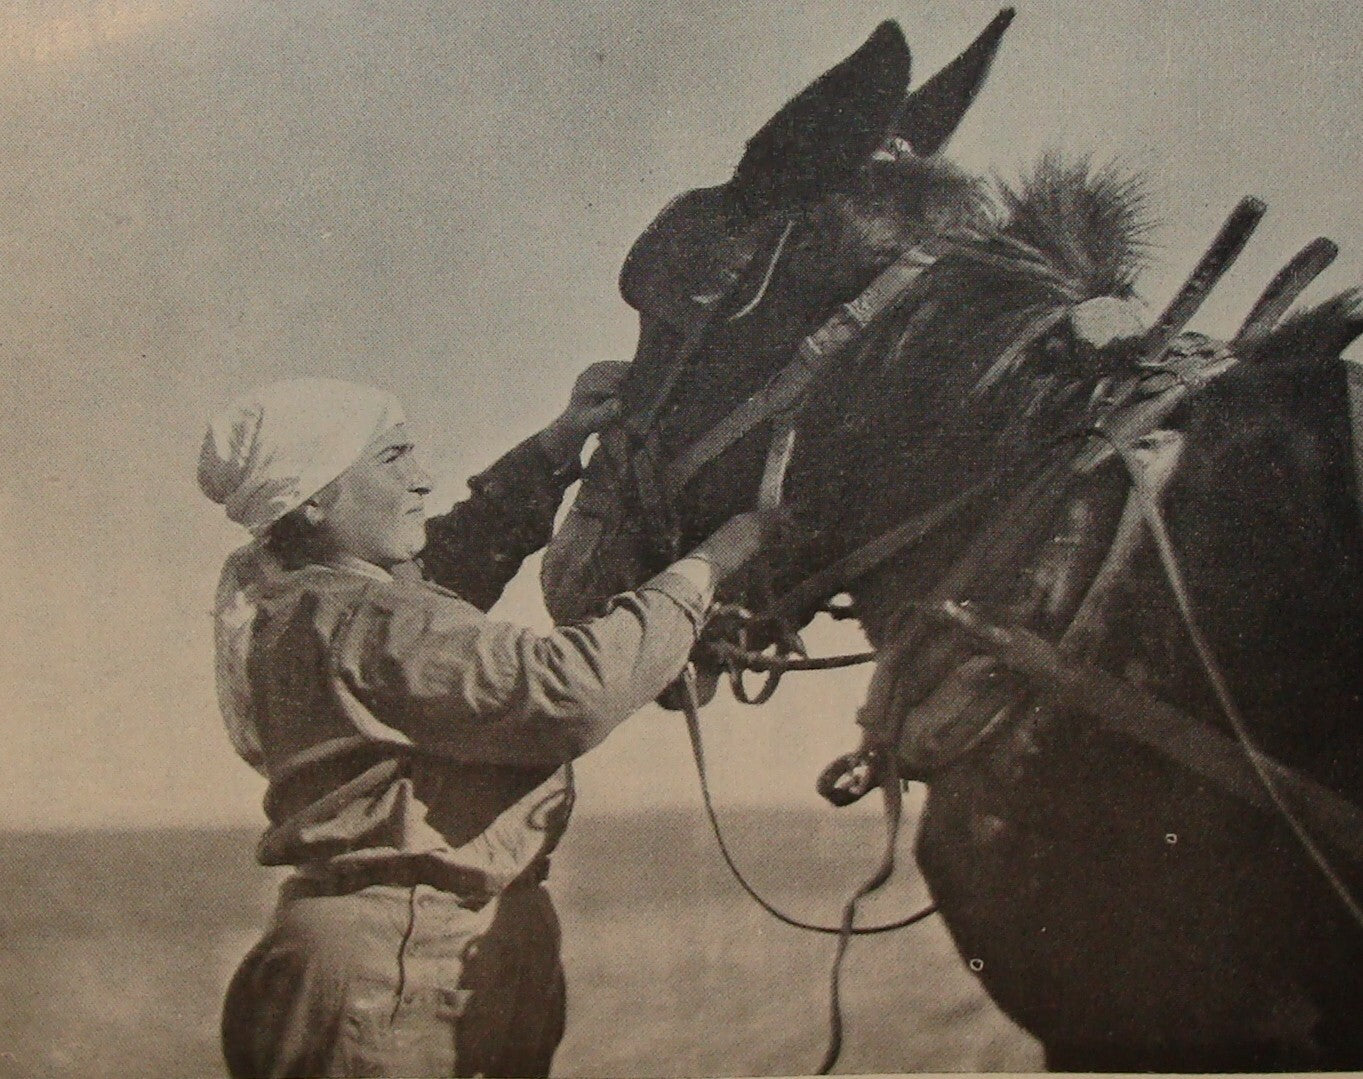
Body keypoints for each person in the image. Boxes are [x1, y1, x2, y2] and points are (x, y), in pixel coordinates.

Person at [198, 365, 776, 1078]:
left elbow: (455, 556)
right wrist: (709, 564)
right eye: (392, 457)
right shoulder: (369, 619)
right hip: (400, 968)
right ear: (315, 503)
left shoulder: (315, 601)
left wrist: (557, 444)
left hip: (414, 954)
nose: (422, 478)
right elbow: (567, 688)